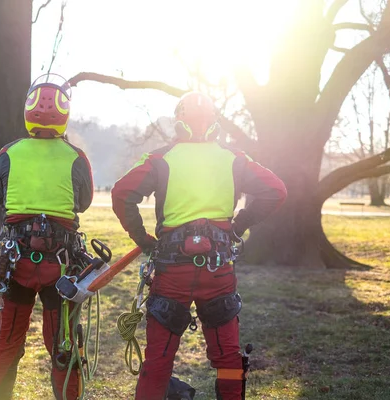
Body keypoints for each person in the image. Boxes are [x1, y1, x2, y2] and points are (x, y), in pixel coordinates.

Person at [111, 91, 287, 400]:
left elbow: (122, 192)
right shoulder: (234, 159)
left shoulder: (161, 158)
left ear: (180, 123)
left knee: (159, 360)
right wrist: (240, 223)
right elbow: (276, 190)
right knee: (229, 359)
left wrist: (142, 239)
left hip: (171, 270)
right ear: (214, 124)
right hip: (218, 270)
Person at [0, 74, 93, 400]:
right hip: (59, 267)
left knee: (6, 345)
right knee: (63, 347)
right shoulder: (76, 157)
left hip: (15, 263)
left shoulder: (8, 152)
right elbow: (83, 203)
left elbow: (0, 198)